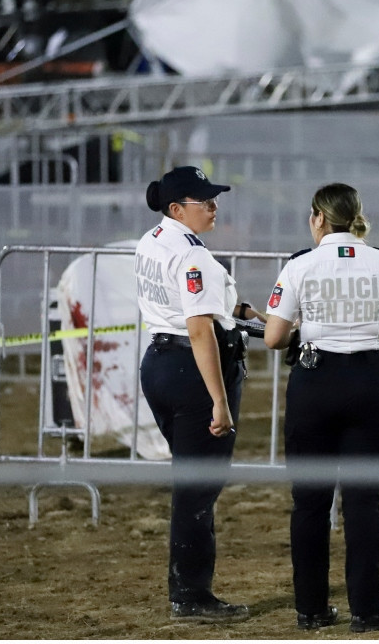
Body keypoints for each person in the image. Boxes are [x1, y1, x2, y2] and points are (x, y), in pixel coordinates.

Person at [263, 182, 379, 633]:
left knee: (309, 502)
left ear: (318, 218)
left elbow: (274, 338)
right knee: (363, 502)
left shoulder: (299, 266)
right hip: (372, 383)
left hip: (315, 382)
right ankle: (367, 611)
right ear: (356, 215)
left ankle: (311, 609)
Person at [135, 165, 259, 622]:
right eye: (203, 201)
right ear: (176, 208)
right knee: (198, 488)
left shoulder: (152, 240)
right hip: (194, 370)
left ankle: (188, 591)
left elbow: (209, 310)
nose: (213, 206)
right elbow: (201, 329)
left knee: (193, 482)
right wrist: (220, 401)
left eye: (213, 198)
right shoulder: (193, 257)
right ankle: (191, 595)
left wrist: (252, 317)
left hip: (162, 365)